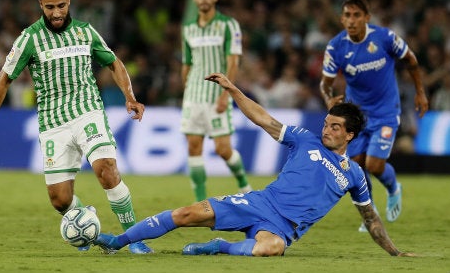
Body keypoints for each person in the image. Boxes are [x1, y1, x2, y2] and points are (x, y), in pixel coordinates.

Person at [90, 72, 415, 257]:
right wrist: (234, 90)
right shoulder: (305, 139)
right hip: (259, 202)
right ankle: (116, 242)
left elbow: (371, 218)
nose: (326, 129)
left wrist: (395, 252)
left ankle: (218, 247)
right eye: (327, 123)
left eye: (334, 127)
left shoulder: (355, 175)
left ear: (351, 135)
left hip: (281, 228)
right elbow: (264, 119)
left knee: (271, 249)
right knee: (187, 214)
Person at [0, 0, 152, 254]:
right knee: (59, 200)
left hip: (87, 111)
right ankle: (91, 226)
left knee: (106, 169)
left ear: (70, 2)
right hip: (53, 123)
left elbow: (114, 62)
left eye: (62, 6)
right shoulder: (29, 38)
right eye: (50, 7)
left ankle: (135, 238)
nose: (56, 13)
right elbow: (3, 80)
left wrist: (130, 96)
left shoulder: (85, 32)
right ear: (40, 5)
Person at [319, 0, 428, 230]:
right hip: (357, 115)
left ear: (367, 17)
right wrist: (329, 99)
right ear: (341, 18)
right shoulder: (336, 47)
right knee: (355, 164)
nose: (351, 20)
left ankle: (393, 188)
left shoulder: (385, 38)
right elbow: (325, 84)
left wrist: (420, 92)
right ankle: (371, 212)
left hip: (386, 111)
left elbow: (411, 60)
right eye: (347, 15)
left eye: (357, 15)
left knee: (375, 165)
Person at [180, 0, 251, 202]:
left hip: (216, 96)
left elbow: (233, 63)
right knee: (193, 146)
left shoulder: (228, 25)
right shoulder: (188, 29)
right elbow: (187, 63)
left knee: (223, 149)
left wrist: (225, 94)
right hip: (193, 95)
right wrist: (186, 88)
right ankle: (201, 200)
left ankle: (244, 185)